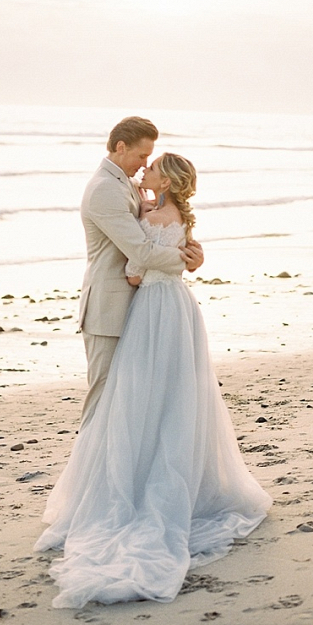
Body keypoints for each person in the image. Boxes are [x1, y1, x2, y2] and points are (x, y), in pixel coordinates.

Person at [34, 152, 272, 608]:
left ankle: (133, 484)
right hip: (171, 308)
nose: (145, 168)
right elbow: (175, 255)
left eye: (153, 165)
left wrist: (155, 266)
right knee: (167, 392)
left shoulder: (151, 207)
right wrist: (178, 259)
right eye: (143, 159)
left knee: (139, 394)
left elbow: (142, 264)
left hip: (152, 308)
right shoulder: (157, 205)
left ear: (167, 178)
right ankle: (148, 478)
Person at [77, 116, 203, 426]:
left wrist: (191, 247)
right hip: (109, 308)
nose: (145, 164)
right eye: (142, 156)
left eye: (150, 158)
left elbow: (161, 226)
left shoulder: (129, 184)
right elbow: (141, 251)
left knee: (132, 398)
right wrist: (184, 261)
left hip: (139, 305)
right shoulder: (105, 189)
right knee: (104, 395)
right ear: (121, 147)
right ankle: (90, 471)